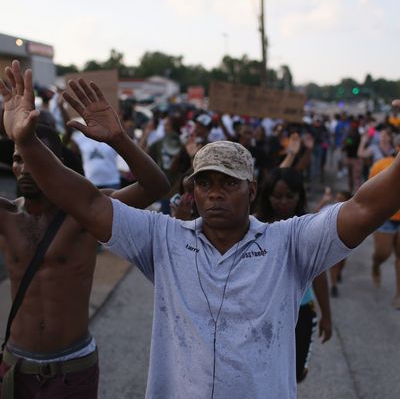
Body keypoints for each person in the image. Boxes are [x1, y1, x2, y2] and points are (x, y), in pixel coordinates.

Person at [3, 59, 400, 399]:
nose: (215, 194)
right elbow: (89, 204)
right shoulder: (163, 239)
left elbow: (364, 208)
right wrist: (29, 143)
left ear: (252, 190)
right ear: (193, 190)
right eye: (205, 183)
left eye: (229, 183)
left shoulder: (289, 243)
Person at [0, 61, 170, 399]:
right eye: (19, 158)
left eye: (35, 157)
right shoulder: (6, 215)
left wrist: (120, 138)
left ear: (57, 164)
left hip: (71, 369)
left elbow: (155, 186)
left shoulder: (87, 214)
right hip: (16, 367)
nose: (25, 167)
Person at [256, 167, 332, 382]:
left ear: (299, 196)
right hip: (263, 312)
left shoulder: (309, 228)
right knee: (262, 373)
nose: (283, 202)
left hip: (300, 312)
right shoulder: (254, 227)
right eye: (277, 196)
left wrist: (327, 315)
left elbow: (318, 273)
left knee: (294, 374)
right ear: (267, 195)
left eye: (289, 196)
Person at [368, 133, 400, 309]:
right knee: (383, 253)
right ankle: (376, 264)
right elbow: (369, 192)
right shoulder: (381, 165)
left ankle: (399, 295)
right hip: (386, 217)